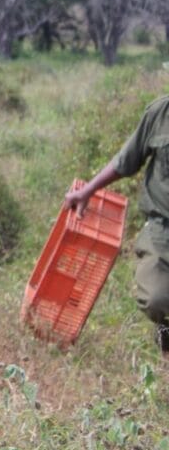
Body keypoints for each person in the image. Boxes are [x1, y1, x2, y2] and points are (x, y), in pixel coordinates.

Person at [66, 95, 169, 358]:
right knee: (157, 299)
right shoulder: (160, 113)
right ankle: (165, 329)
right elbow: (126, 160)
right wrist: (88, 190)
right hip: (162, 228)